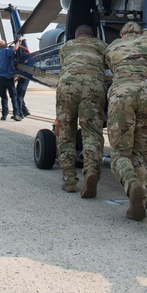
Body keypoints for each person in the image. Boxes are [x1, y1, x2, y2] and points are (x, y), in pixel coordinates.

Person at [104, 21, 147, 221]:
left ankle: (131, 184)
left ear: (122, 35)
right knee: (142, 150)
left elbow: (110, 67)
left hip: (122, 93)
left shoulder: (112, 46)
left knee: (120, 153)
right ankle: (141, 200)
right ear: (140, 33)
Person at [56, 24, 108, 197]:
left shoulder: (66, 46)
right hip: (93, 86)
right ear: (92, 35)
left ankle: (69, 179)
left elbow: (64, 63)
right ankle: (92, 170)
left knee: (66, 131)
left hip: (67, 87)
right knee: (92, 131)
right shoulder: (101, 45)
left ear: (77, 36)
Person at [0, 40, 19, 121]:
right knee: (13, 96)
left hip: (1, 78)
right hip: (8, 77)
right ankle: (16, 114)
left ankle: (4, 114)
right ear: (5, 45)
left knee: (3, 97)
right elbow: (15, 49)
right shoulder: (6, 52)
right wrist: (20, 40)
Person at [14, 37, 32, 117]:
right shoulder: (25, 57)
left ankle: (20, 113)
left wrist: (20, 40)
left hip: (24, 78)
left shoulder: (23, 58)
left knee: (19, 96)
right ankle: (25, 111)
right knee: (19, 95)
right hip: (24, 78)